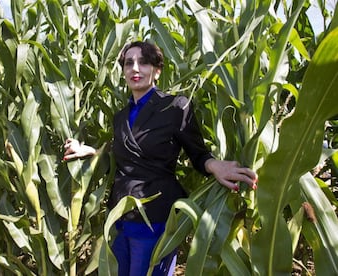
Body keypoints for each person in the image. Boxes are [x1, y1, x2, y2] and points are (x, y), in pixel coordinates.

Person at [63, 41, 258, 276]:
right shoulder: (120, 117)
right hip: (119, 218)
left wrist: (215, 165)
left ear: (157, 70)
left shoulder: (175, 107)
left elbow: (198, 154)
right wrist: (91, 152)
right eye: (128, 63)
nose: (135, 69)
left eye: (143, 62)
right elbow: (122, 156)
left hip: (154, 219)